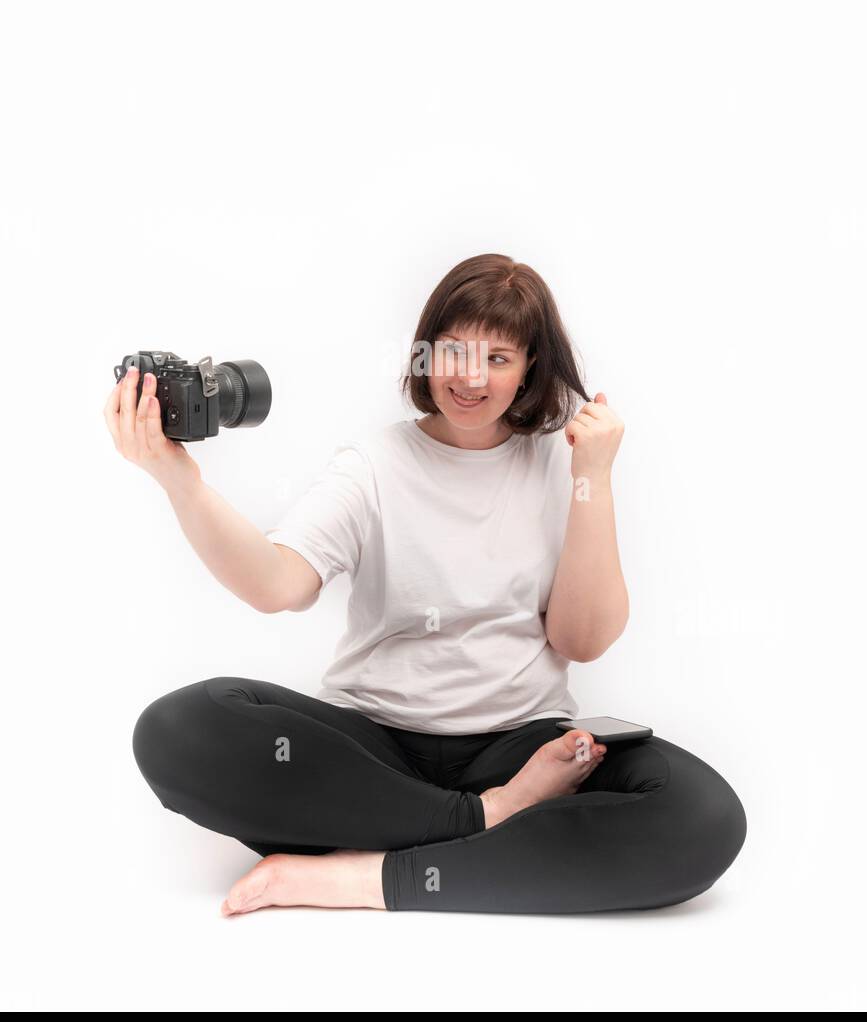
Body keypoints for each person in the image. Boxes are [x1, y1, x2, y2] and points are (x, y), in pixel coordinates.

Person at [105, 252, 747, 915]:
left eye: (498, 359)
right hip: (371, 758)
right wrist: (177, 478)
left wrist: (596, 476)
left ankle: (356, 876)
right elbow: (277, 585)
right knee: (177, 728)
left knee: (703, 817)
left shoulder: (565, 463)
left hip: (524, 749)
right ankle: (482, 825)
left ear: (530, 368)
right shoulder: (374, 464)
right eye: (453, 352)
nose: (470, 378)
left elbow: (580, 640)